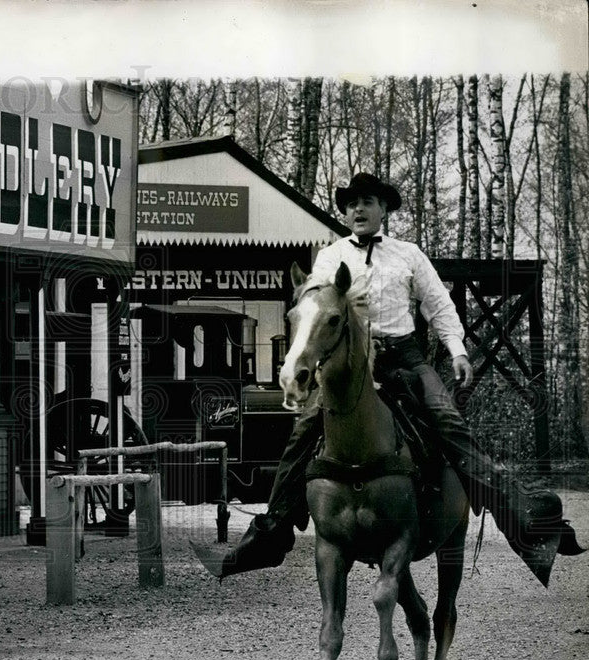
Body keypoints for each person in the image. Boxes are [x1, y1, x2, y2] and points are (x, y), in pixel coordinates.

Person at [203, 173, 580, 585]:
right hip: (348, 366)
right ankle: (270, 532)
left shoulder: (409, 255)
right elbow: (314, 313)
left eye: (367, 202)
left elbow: (438, 306)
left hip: (405, 358)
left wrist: (456, 350)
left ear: (384, 209)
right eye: (351, 204)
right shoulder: (328, 258)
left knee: (451, 423)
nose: (358, 210)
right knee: (301, 435)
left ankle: (523, 518)